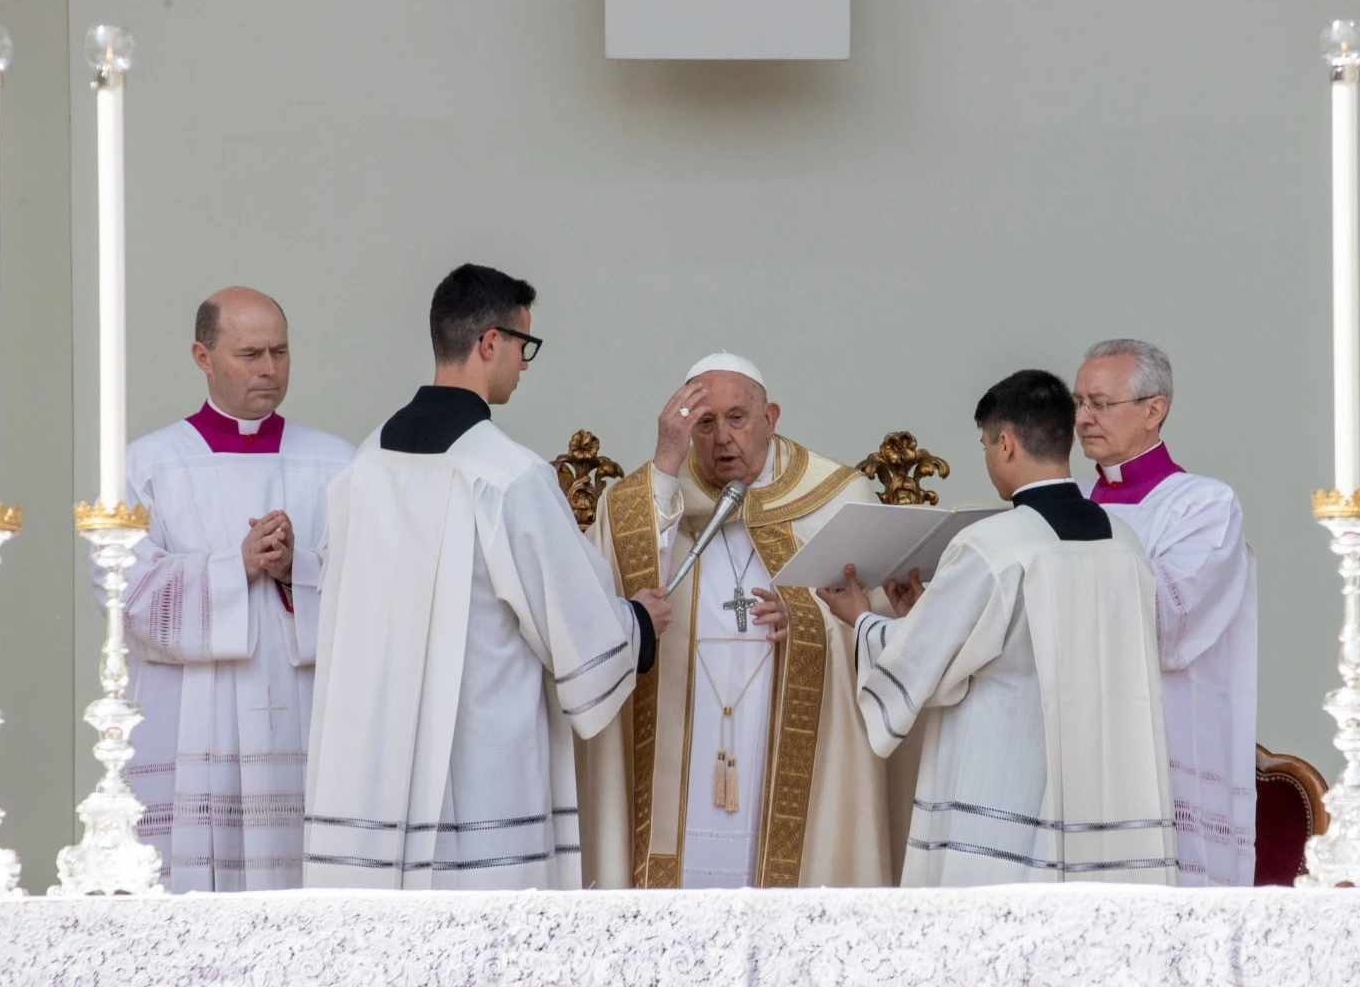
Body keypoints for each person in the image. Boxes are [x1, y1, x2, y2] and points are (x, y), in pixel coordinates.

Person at [303, 263, 670, 890]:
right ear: (489, 342)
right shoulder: (508, 476)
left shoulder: (363, 467)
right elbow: (575, 624)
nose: (525, 364)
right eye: (525, 344)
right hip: (481, 783)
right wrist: (638, 622)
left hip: (369, 776)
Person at [818, 369, 1176, 887]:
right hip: (1106, 791)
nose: (987, 457)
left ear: (1005, 444)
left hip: (1007, 788)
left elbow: (919, 662)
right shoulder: (1123, 542)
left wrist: (861, 619)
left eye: (986, 444)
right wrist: (926, 614)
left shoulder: (993, 545)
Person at [581, 353, 896, 889]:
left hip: (782, 743)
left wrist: (808, 618)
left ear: (770, 419)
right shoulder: (655, 499)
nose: (722, 438)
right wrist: (664, 463)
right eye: (704, 423)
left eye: (736, 418)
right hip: (684, 742)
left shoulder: (838, 499)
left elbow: (881, 629)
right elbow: (602, 603)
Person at [102, 286, 353, 891]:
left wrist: (297, 569)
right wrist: (234, 567)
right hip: (192, 725)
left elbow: (374, 593)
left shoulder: (337, 464)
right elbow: (122, 594)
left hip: (303, 720)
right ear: (202, 356)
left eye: (280, 352)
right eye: (249, 354)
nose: (269, 369)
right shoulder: (146, 466)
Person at [1074, 338, 1257, 887]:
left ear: (1154, 410)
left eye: (1099, 404)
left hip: (1170, 738)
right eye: (1077, 403)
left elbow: (1166, 620)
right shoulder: (1073, 504)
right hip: (1081, 744)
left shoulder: (1202, 504)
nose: (1082, 419)